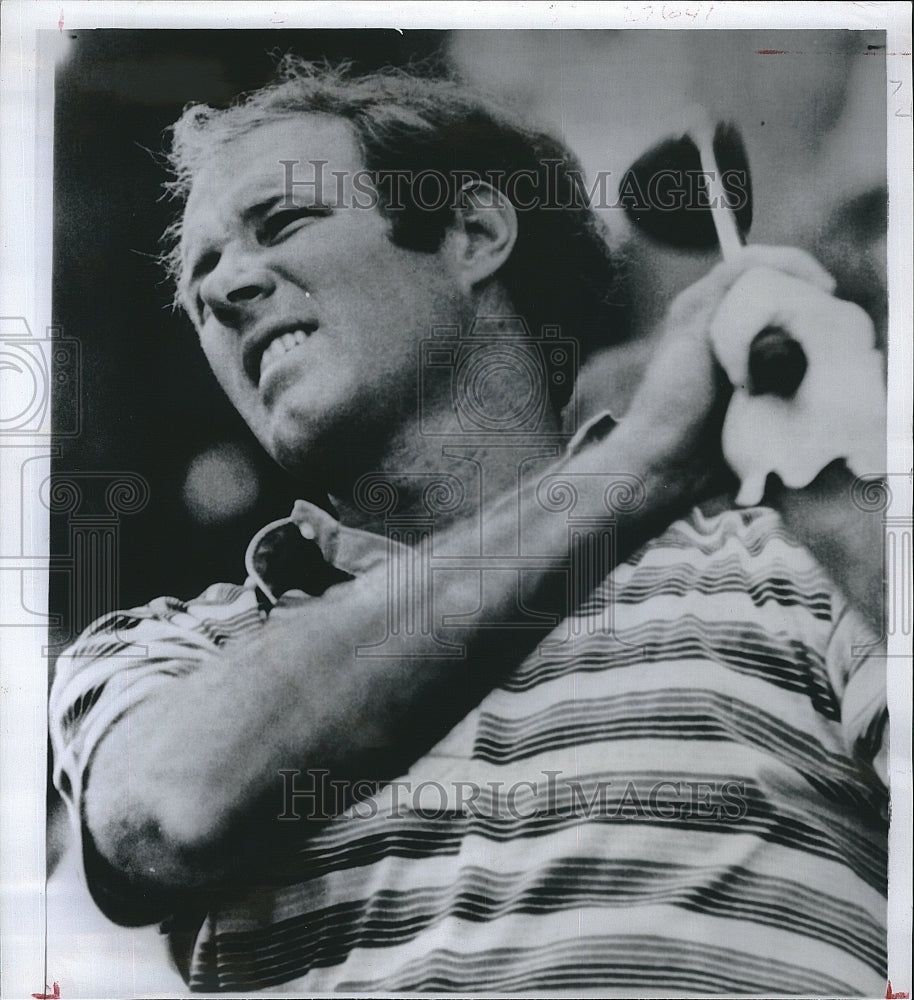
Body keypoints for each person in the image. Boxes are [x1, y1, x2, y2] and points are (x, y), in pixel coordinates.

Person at [50, 59, 888, 994]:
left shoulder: (787, 563)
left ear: (474, 232)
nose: (223, 288)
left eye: (280, 223)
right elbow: (168, 813)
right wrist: (644, 461)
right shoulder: (172, 649)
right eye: (200, 272)